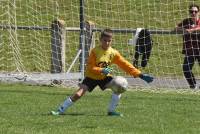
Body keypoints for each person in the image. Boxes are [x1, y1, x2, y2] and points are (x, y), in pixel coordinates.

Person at [51, 29, 154, 116]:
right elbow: (90, 67)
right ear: (100, 40)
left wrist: (140, 75)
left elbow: (125, 65)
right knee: (79, 94)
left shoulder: (113, 53)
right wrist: (101, 70)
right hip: (91, 77)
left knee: (120, 85)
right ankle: (60, 110)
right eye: (105, 40)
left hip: (104, 78)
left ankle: (111, 111)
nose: (107, 43)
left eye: (109, 41)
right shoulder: (95, 51)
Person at [175, 4, 200, 89]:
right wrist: (184, 30)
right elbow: (176, 28)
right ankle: (193, 85)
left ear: (198, 12)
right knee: (186, 68)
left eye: (195, 11)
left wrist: (192, 30)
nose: (193, 13)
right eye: (191, 11)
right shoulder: (186, 21)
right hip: (190, 50)